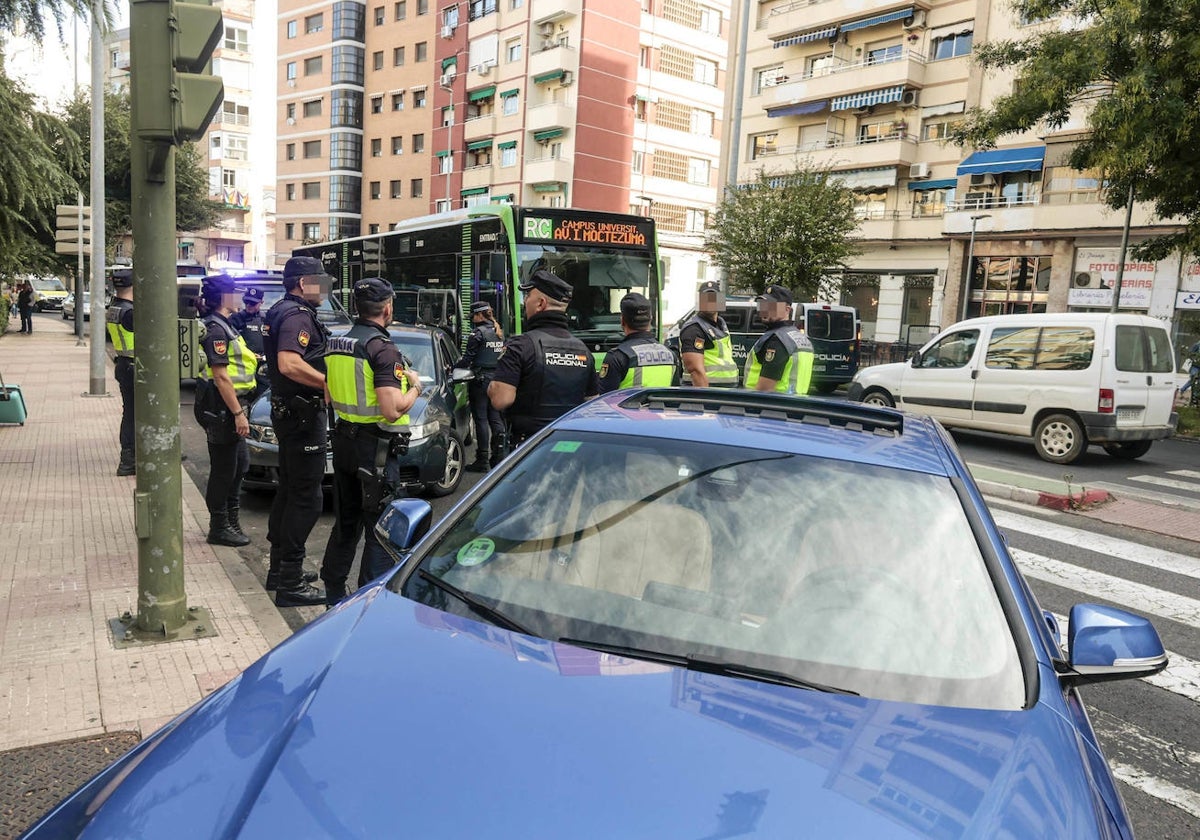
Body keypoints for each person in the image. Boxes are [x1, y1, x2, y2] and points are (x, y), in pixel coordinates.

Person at [321, 277, 422, 606]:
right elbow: (392, 410)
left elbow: (328, 394)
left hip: (344, 444)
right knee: (380, 528)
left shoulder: (337, 343)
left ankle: (333, 590)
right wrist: (416, 388)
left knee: (346, 522)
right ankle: (370, 599)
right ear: (388, 307)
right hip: (375, 450)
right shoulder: (382, 349)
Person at [262, 256, 330, 607]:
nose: (325, 287)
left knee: (289, 492)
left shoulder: (280, 310)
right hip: (303, 418)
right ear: (303, 283)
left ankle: (280, 571)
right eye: (320, 280)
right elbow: (289, 363)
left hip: (290, 416)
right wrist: (328, 384)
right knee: (307, 497)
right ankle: (289, 582)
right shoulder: (297, 315)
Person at [488, 268, 598, 446]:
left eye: (528, 296)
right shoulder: (584, 351)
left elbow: (501, 400)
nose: (525, 301)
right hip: (570, 445)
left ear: (541, 303)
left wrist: (492, 387)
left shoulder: (520, 346)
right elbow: (592, 404)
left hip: (530, 449)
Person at [197, 274, 258, 547]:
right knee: (224, 469)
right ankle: (218, 526)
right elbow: (221, 376)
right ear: (223, 297)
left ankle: (231, 521)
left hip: (233, 404)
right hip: (223, 408)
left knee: (239, 465)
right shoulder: (215, 329)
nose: (240, 298)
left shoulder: (225, 325)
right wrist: (237, 413)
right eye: (235, 293)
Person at [456, 301, 506, 471]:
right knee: (495, 417)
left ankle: (482, 460)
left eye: (473, 316)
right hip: (497, 380)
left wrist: (454, 367)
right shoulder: (499, 332)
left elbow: (467, 359)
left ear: (479, 315)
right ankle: (500, 456)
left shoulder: (477, 334)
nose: (472, 319)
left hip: (481, 381)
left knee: (481, 419)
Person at [597, 292, 678, 393]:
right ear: (651, 319)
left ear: (622, 321)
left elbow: (603, 401)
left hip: (626, 409)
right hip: (661, 409)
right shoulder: (671, 355)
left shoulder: (617, 357)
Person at [742, 284, 815, 395]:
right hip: (794, 406)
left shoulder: (778, 340)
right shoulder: (800, 338)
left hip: (770, 407)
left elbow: (764, 389)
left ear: (787, 310)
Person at [678, 280, 738, 388]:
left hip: (724, 393)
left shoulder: (721, 325)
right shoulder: (694, 329)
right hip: (708, 395)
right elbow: (696, 371)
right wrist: (705, 399)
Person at [105, 269, 136, 476]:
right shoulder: (131, 313)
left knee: (130, 413)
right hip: (135, 366)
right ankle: (128, 460)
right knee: (134, 415)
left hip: (123, 364)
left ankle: (129, 457)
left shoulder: (114, 307)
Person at [231, 286, 269, 395]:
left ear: (261, 302)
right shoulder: (235, 319)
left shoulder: (266, 319)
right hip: (242, 367)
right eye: (247, 302)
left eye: (252, 303)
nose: (248, 306)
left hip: (262, 366)